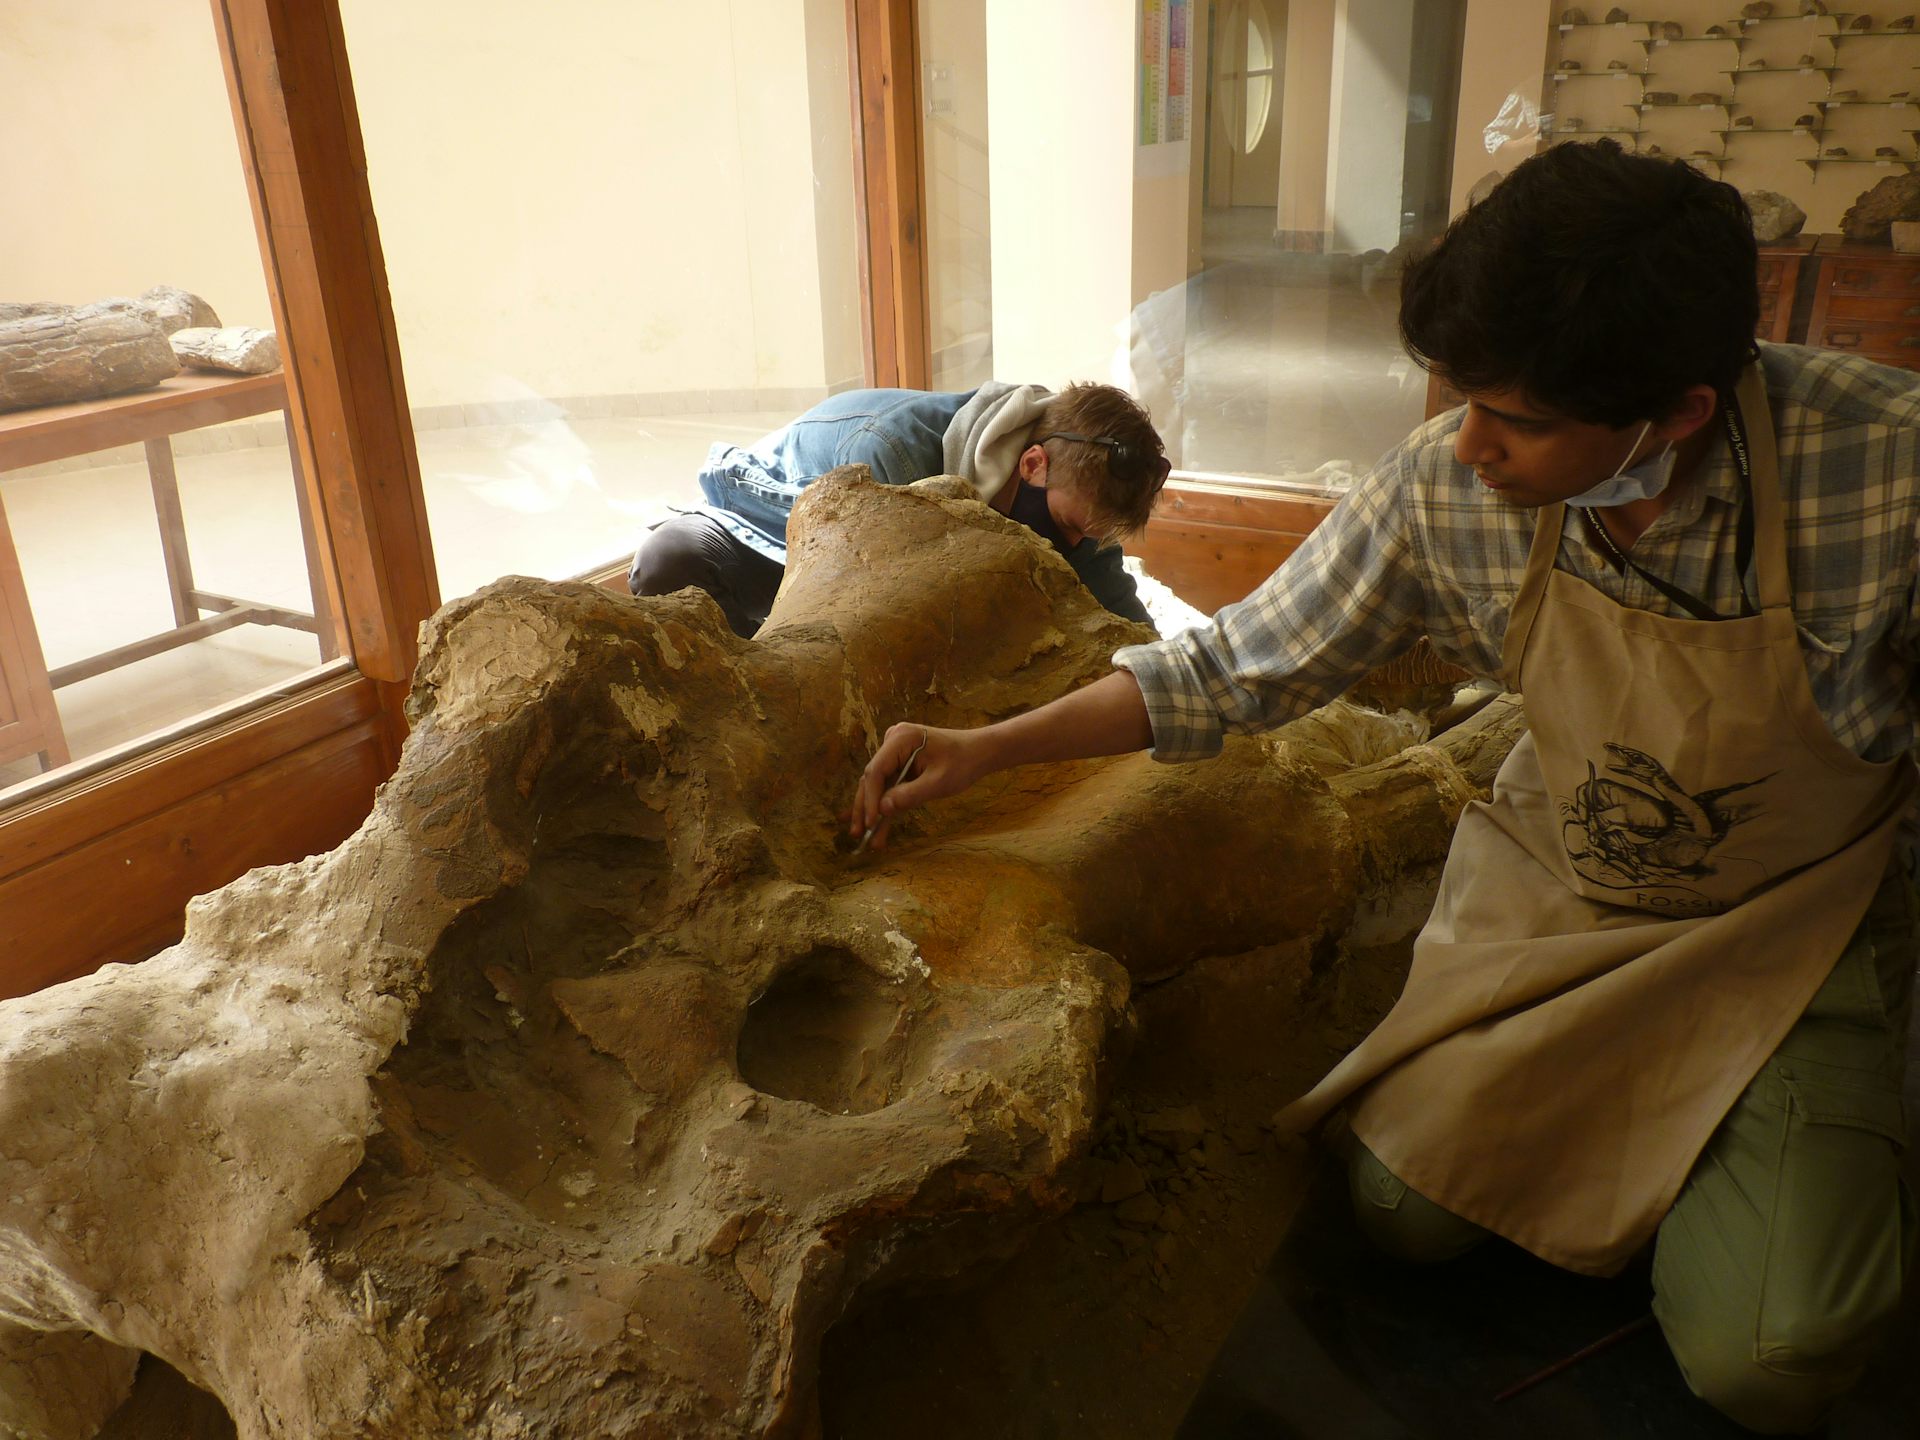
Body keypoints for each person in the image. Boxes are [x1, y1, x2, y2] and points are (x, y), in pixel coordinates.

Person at [848, 140, 1920, 1436]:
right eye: (1459, 398)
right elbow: (1237, 665)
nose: (1467, 444)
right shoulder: (1448, 490)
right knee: (1398, 1219)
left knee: (1777, 1358)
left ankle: (1738, 1175)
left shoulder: (1883, 474)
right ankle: (1675, 1168)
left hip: (1791, 922)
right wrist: (993, 746)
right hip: (1572, 898)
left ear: (1676, 414)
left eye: (1515, 420)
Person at [627, 382, 1169, 635]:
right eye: (1072, 528)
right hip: (786, 538)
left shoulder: (1079, 502)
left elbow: (1125, 623)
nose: (1074, 548)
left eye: (1091, 538)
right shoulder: (895, 455)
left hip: (882, 569)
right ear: (1031, 464)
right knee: (667, 561)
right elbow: (869, 613)